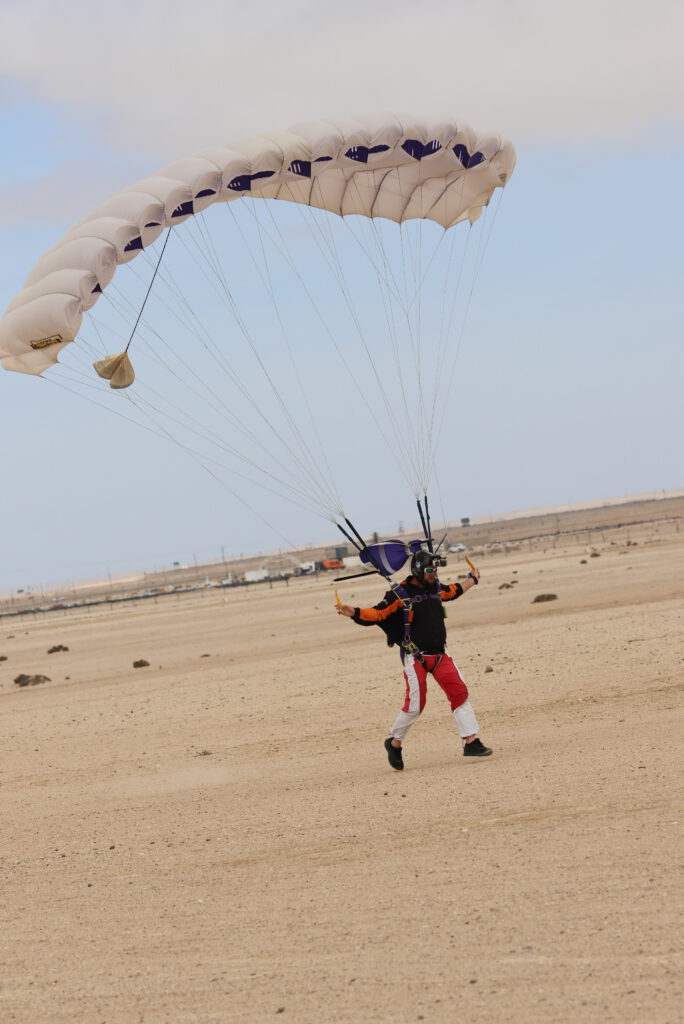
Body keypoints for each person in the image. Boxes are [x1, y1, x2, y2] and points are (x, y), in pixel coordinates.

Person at [336, 548, 492, 770]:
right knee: (415, 706)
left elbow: (454, 590)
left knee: (460, 693)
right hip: (415, 657)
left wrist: (473, 579)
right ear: (418, 569)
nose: (434, 574)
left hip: (440, 655)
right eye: (430, 570)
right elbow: (378, 613)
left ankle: (471, 742)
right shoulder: (400, 594)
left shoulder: (436, 588)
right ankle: (394, 743)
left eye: (436, 569)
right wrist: (356, 613)